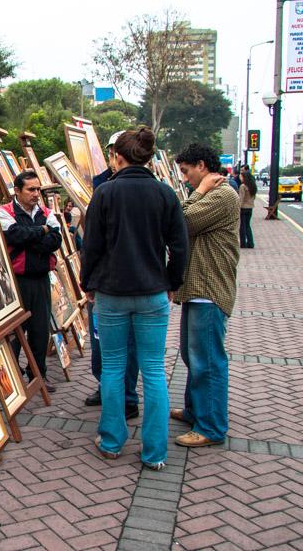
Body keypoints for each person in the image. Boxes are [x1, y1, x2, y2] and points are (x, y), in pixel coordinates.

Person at [80, 127, 188, 470]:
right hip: (153, 291)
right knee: (153, 370)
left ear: (117, 157)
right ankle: (154, 452)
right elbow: (180, 246)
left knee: (113, 367)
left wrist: (87, 284)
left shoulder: (106, 194)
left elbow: (92, 246)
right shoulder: (165, 194)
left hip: (111, 293)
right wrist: (172, 281)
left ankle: (112, 441)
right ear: (150, 158)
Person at [172, 143, 240, 447]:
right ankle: (195, 410)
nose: (185, 179)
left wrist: (197, 194)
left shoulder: (222, 195)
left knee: (207, 360)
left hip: (209, 289)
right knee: (192, 355)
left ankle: (210, 426)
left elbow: (181, 223)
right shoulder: (211, 194)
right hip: (198, 289)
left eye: (187, 172)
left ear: (201, 166)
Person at [84, 131, 140, 421]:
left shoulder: (144, 184)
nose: (112, 157)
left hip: (121, 282)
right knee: (99, 343)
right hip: (110, 278)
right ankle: (106, 388)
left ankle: (125, 400)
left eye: (115, 152)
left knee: (124, 350)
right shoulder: (102, 183)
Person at [0, 170, 63, 393]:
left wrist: (32, 237)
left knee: (40, 330)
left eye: (38, 189)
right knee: (15, 330)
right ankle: (13, 377)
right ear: (17, 191)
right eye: (31, 189)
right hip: (16, 281)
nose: (37, 194)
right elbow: (14, 235)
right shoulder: (5, 212)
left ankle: (38, 375)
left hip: (41, 279)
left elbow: (55, 240)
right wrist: (41, 232)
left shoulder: (46, 212)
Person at [238, 170, 257, 249]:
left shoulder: (243, 186)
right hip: (250, 207)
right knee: (248, 225)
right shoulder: (252, 186)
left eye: (241, 176)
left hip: (243, 208)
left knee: (242, 226)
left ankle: (243, 243)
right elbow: (254, 197)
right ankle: (250, 242)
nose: (240, 178)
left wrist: (237, 207)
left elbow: (240, 199)